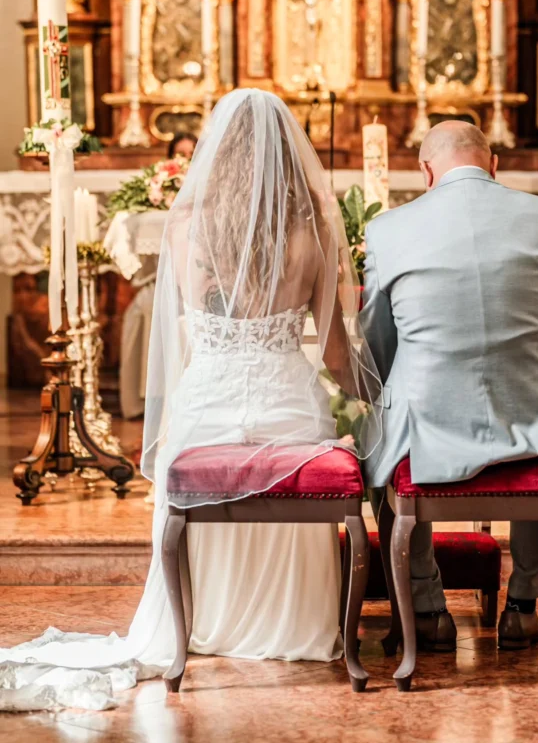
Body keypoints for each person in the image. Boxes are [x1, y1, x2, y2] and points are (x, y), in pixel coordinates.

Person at [0, 90, 380, 711]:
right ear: (289, 152)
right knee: (322, 440)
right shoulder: (312, 226)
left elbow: (182, 335)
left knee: (191, 448)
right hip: (289, 407)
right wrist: (379, 396)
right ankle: (298, 629)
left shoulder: (186, 224)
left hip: (206, 405)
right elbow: (337, 357)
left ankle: (194, 627)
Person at [360, 120, 538, 652]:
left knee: (377, 441)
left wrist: (410, 384)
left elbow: (376, 342)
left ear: (425, 172)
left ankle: (428, 606)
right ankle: (524, 607)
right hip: (533, 417)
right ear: (493, 164)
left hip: (426, 422)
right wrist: (529, 377)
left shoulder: (390, 228)